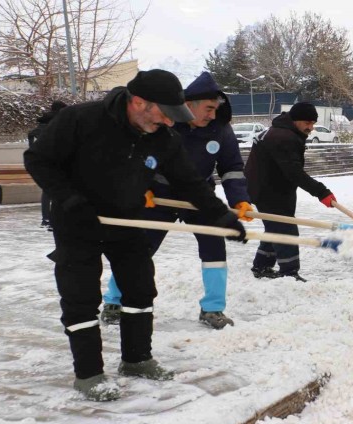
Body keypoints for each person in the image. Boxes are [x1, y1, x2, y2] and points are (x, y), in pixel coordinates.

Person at [24, 69, 247, 402]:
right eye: (166, 115)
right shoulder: (81, 120)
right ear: (139, 102)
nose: (171, 124)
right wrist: (69, 199)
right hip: (78, 221)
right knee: (81, 297)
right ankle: (89, 374)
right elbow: (38, 160)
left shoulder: (162, 136)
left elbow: (189, 182)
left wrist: (220, 215)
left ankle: (136, 360)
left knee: (141, 288)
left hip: (127, 220)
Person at [100, 71, 251, 330]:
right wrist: (142, 188)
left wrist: (240, 201)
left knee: (215, 250)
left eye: (216, 109)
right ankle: (114, 300)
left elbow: (232, 168)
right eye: (209, 108)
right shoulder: (165, 122)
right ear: (189, 105)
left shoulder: (221, 130)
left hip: (199, 197)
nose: (213, 115)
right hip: (159, 196)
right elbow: (141, 158)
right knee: (139, 249)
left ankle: (213, 309)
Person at [244, 102, 336, 282]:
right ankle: (289, 273)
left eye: (313, 123)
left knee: (275, 226)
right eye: (307, 123)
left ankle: (262, 265)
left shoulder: (280, 131)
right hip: (269, 189)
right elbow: (294, 172)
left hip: (267, 186)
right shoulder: (284, 137)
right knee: (285, 228)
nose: (311, 128)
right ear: (295, 120)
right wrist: (321, 192)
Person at [28, 100, 67, 231]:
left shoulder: (39, 126)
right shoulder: (59, 123)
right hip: (58, 162)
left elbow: (31, 141)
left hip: (44, 163)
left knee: (47, 192)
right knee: (60, 191)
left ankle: (46, 218)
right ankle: (54, 219)